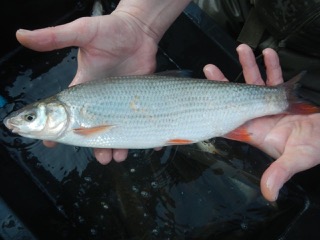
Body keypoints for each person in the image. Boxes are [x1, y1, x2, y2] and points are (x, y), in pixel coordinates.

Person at [15, 0, 320, 202]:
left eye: (31, 118)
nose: (26, 123)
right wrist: (139, 19)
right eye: (30, 117)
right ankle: (280, 100)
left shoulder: (77, 122)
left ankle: (283, 99)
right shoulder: (75, 111)